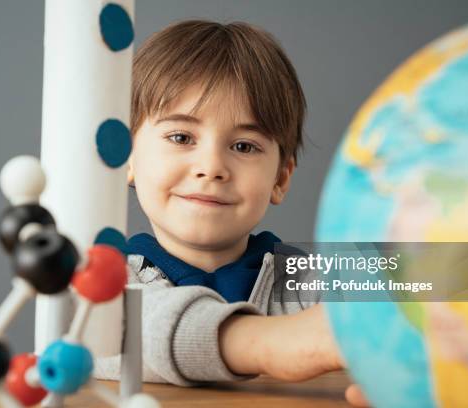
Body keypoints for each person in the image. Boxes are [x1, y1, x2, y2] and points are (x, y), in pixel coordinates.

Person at [95, 20, 367, 407]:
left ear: (281, 178)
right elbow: (117, 333)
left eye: (243, 146)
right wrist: (273, 345)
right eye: (181, 138)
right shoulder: (105, 282)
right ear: (126, 156)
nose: (212, 167)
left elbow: (465, 275)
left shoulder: (309, 279)